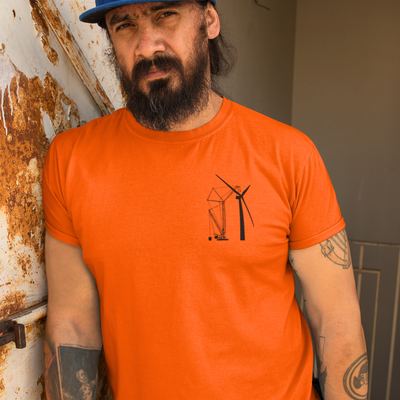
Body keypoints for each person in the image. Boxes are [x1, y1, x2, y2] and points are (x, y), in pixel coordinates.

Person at [42, 1, 368, 399]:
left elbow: (335, 320)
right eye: (124, 24)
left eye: (165, 15)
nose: (146, 46)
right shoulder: (71, 160)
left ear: (209, 20)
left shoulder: (288, 156)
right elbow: (72, 326)